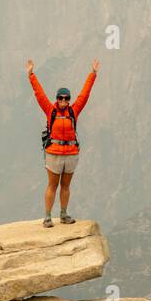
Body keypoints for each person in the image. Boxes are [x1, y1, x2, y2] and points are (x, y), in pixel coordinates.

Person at [26, 58, 98, 227]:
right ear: (57, 99)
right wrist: (31, 75)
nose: (64, 101)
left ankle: (63, 214)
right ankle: (47, 217)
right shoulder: (50, 110)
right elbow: (40, 94)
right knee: (52, 185)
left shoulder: (74, 110)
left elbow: (85, 94)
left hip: (71, 154)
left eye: (66, 98)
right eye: (61, 98)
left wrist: (93, 74)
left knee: (65, 186)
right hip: (54, 154)